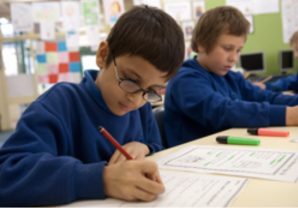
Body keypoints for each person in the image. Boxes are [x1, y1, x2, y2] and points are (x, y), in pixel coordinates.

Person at [0, 6, 185, 206]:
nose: (136, 99)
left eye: (151, 91)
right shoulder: (60, 104)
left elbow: (156, 147)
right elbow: (7, 173)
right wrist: (101, 179)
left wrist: (145, 147)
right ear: (103, 55)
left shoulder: (141, 109)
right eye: (130, 80)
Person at [164, 6, 298, 147]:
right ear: (201, 45)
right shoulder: (185, 80)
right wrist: (288, 115)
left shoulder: (231, 77)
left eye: (238, 50)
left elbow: (266, 97)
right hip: (192, 159)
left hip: (227, 153)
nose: (234, 58)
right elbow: (222, 111)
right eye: (227, 49)